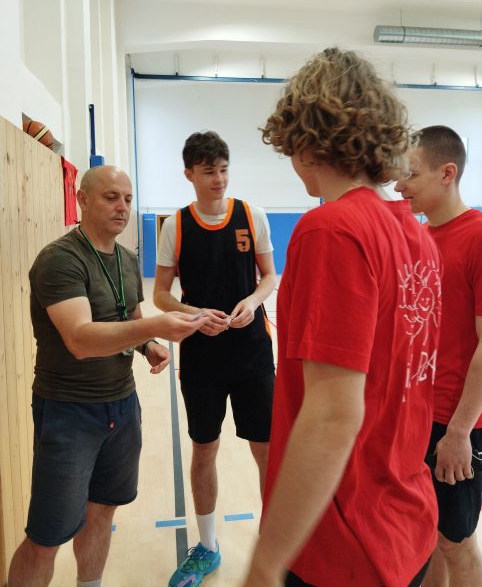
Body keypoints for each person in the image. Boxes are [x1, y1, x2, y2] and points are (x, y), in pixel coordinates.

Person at [241, 48, 443, 587]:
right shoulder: (417, 236)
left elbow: (333, 415)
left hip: (345, 541)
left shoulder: (331, 231)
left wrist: (266, 560)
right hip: (406, 523)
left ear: (304, 140)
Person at [7, 165, 208, 587]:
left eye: (128, 200)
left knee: (101, 512)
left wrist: (147, 344)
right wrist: (155, 326)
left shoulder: (127, 260)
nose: (122, 207)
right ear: (82, 199)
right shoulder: (60, 260)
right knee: (46, 537)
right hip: (68, 414)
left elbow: (129, 314)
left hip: (122, 407)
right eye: (111, 197)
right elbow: (80, 339)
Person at [153, 130, 276, 586]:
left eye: (224, 170)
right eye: (209, 172)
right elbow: (161, 295)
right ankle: (206, 546)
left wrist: (254, 301)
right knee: (204, 449)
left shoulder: (252, 215)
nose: (219, 179)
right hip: (202, 356)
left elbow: (269, 276)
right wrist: (194, 313)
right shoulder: (176, 225)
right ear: (189, 174)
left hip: (252, 353)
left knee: (266, 451)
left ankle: (274, 545)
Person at [394, 126, 482, 587]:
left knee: (456, 541)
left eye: (410, 174)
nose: (399, 185)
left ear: (447, 173)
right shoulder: (420, 237)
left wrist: (460, 431)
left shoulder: (478, 237)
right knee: (429, 535)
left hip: (457, 424)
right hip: (419, 415)